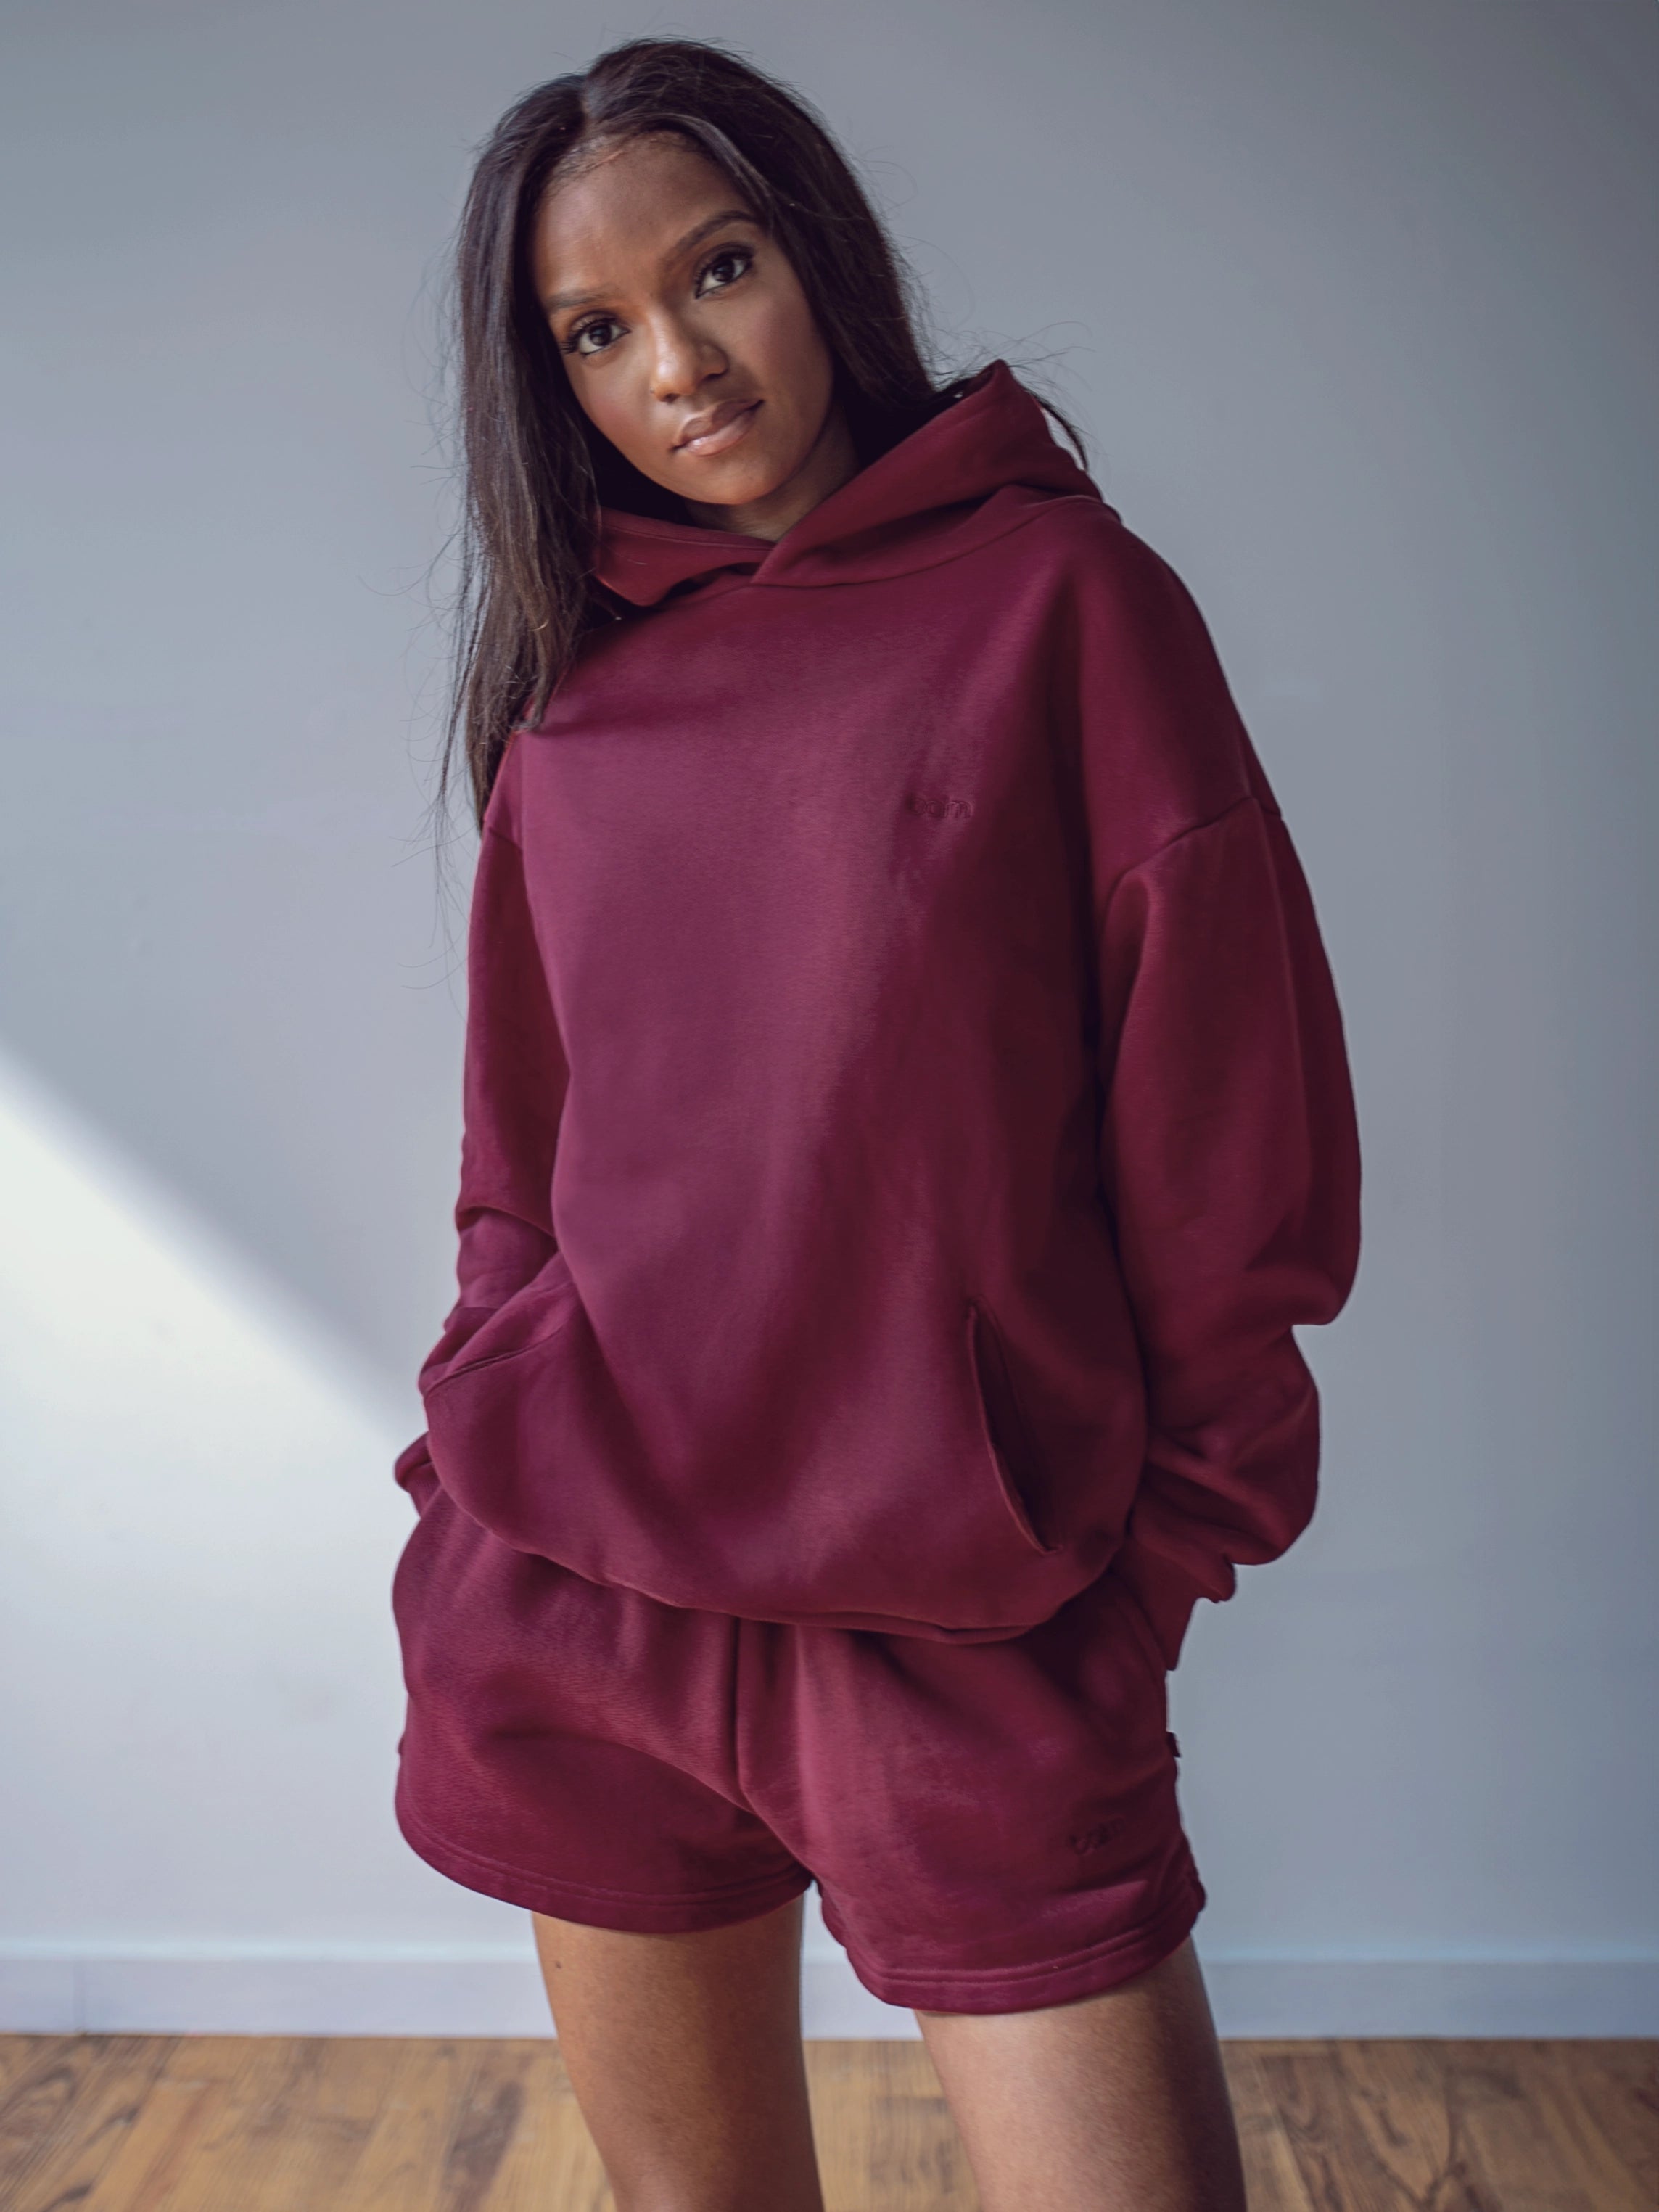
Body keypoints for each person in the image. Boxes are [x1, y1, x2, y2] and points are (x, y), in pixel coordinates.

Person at [389, 35, 1361, 2212]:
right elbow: (516, 1167)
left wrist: (1146, 1574)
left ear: (818, 256)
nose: (677, 364)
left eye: (716, 270)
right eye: (595, 331)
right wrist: (483, 1443)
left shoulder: (1068, 611)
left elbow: (1231, 1131)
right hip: (590, 1601)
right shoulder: (575, 703)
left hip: (970, 1620)